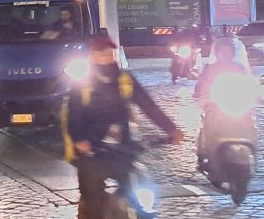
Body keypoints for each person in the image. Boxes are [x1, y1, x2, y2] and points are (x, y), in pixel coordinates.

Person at [60, 35, 183, 219]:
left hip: (123, 147)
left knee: (137, 188)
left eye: (109, 53)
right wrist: (80, 141)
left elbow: (147, 104)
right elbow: (74, 116)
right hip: (92, 151)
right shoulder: (83, 84)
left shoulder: (125, 79)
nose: (106, 58)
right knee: (92, 199)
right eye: (101, 54)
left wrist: (170, 129)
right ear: (92, 56)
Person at [192, 36, 253, 171]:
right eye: (222, 51)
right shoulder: (209, 68)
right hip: (215, 105)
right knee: (208, 125)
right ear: (217, 53)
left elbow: (248, 84)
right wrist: (200, 92)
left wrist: (255, 94)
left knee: (249, 122)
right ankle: (204, 153)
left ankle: (250, 147)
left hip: (236, 104)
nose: (225, 54)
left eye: (228, 51)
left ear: (233, 53)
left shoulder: (239, 68)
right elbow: (201, 85)